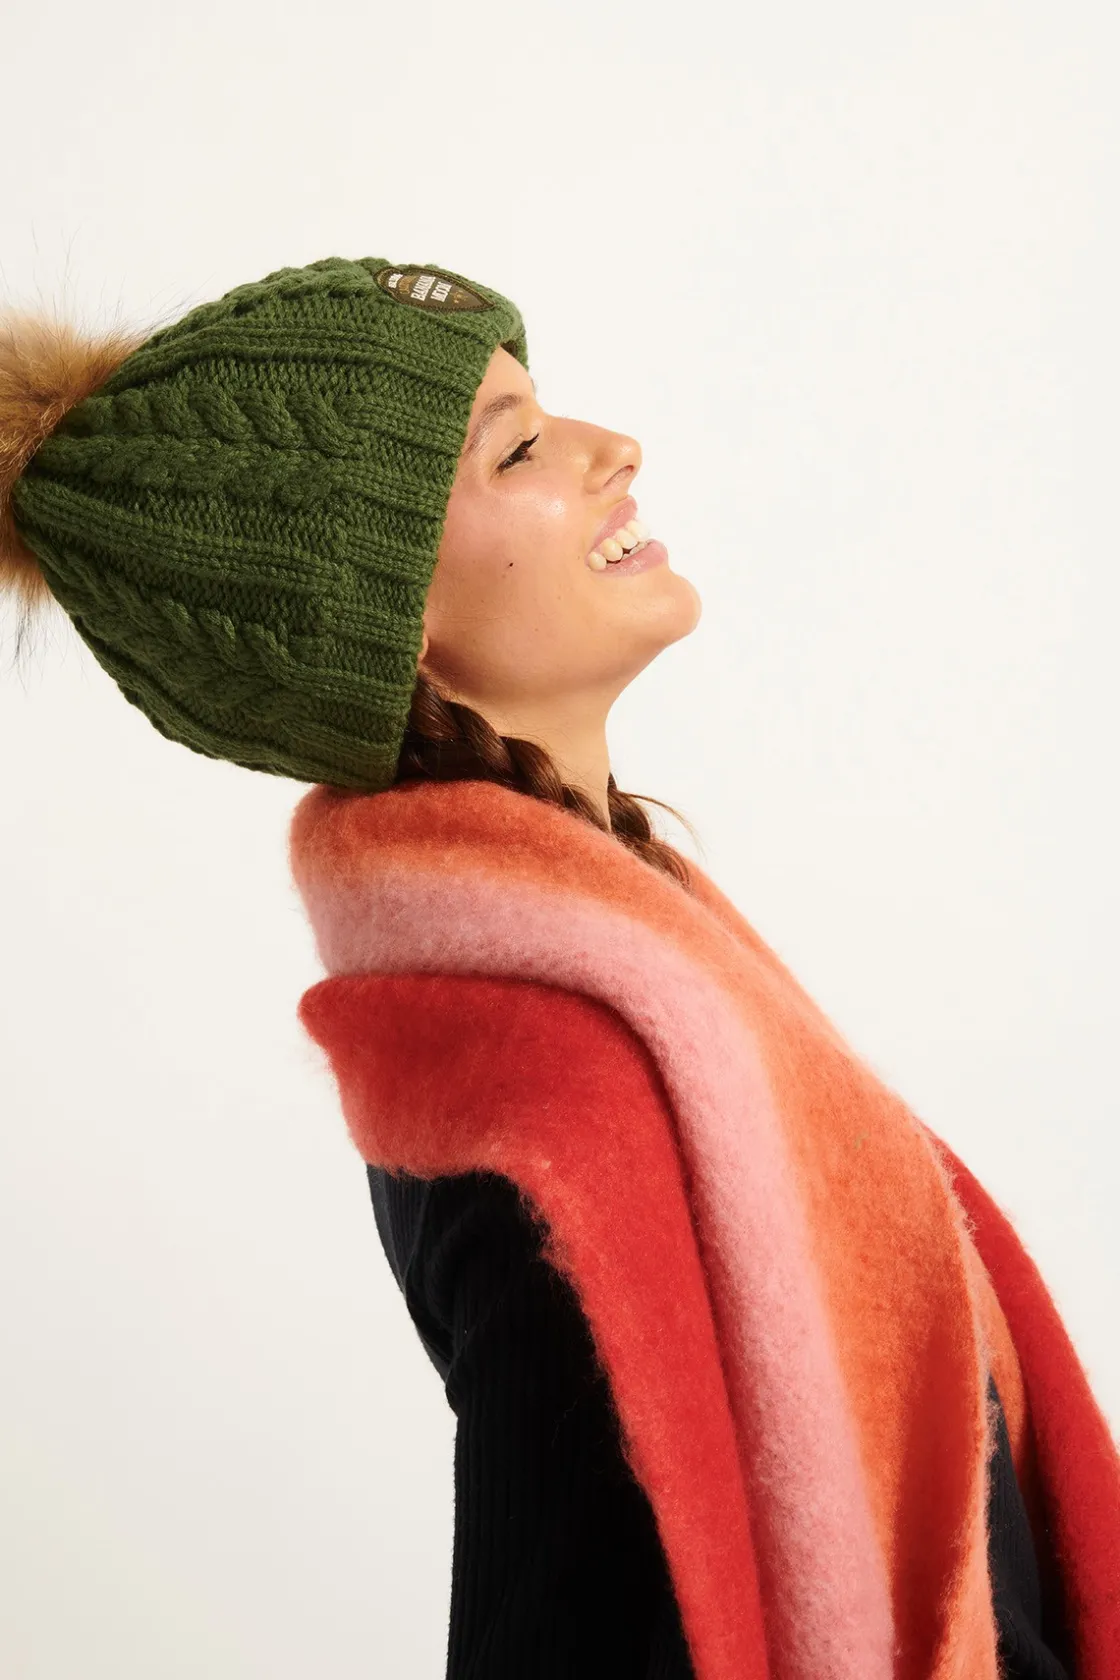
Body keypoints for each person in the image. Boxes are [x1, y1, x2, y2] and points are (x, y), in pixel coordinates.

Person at [2, 256, 1117, 1680]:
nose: (614, 449)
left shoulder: (642, 966)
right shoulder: (554, 1095)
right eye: (519, 448)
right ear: (388, 621)